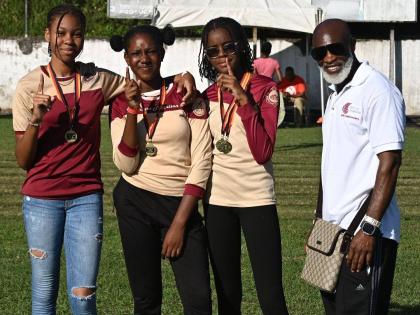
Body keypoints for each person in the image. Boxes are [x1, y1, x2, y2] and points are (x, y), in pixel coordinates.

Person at [11, 4, 197, 315]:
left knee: (83, 295)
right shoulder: (30, 86)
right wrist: (35, 120)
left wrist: (181, 75)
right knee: (44, 295)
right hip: (42, 200)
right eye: (61, 33)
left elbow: (142, 82)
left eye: (77, 33)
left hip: (85, 198)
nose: (69, 40)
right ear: (48, 35)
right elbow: (23, 161)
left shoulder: (97, 79)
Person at [109, 25, 212, 315]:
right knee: (146, 300)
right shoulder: (118, 101)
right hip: (135, 202)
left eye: (151, 51)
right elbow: (127, 164)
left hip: (181, 205)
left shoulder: (186, 93)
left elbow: (202, 161)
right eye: (136, 53)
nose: (144, 58)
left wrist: (179, 223)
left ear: (162, 53)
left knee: (198, 301)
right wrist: (132, 111)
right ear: (127, 59)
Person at [311, 19, 405, 315]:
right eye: (320, 53)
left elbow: (389, 164)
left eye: (335, 48)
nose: (328, 57)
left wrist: (368, 230)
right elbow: (331, 162)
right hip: (329, 229)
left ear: (352, 46)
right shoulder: (336, 93)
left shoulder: (377, 90)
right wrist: (318, 221)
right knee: (334, 309)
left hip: (364, 233)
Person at [198, 17, 289, 315]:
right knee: (227, 297)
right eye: (213, 51)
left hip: (256, 199)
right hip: (217, 202)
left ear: (242, 46)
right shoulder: (208, 95)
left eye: (229, 47)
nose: (222, 56)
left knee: (270, 296)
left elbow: (263, 151)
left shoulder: (264, 88)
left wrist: (244, 100)